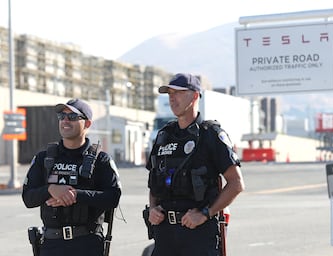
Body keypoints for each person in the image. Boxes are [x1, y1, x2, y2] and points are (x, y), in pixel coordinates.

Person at [146, 73, 245, 256]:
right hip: (165, 235)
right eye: (169, 94)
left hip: (198, 235)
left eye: (178, 93)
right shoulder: (164, 136)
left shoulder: (210, 135)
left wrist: (205, 213)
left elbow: (236, 184)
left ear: (194, 96)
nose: (172, 98)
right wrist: (152, 208)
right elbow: (154, 184)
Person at [22, 98, 122, 256]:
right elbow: (28, 198)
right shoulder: (43, 158)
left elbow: (113, 197)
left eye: (73, 117)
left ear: (87, 124)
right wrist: (51, 190)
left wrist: (75, 195)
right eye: (62, 116)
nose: (65, 121)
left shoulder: (101, 160)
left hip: (87, 245)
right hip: (51, 245)